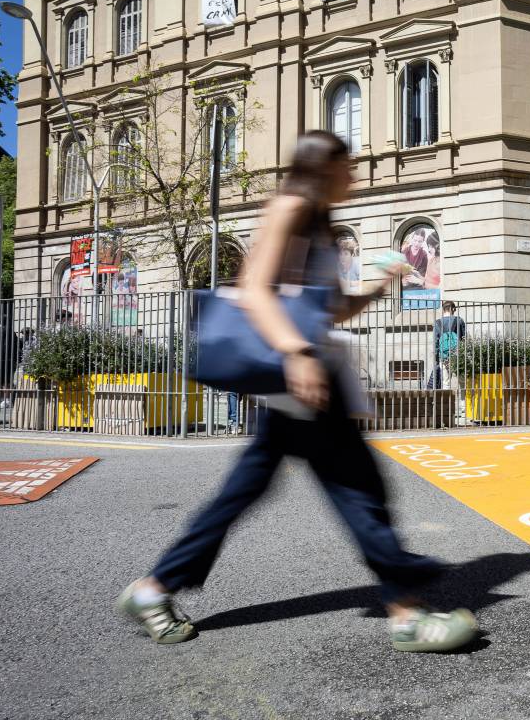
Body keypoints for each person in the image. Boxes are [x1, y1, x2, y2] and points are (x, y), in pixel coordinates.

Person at [118, 131, 477, 652]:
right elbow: (255, 290)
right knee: (358, 490)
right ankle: (405, 611)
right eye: (346, 166)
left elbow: (330, 311)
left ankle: (155, 588)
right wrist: (296, 352)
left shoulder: (324, 229)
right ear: (322, 167)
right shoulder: (289, 207)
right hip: (302, 374)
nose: (354, 175)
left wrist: (378, 283)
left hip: (305, 376)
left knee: (250, 490)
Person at [427, 301, 465, 390]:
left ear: (443, 310)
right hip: (458, 355)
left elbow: (436, 343)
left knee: (445, 382)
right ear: (452, 309)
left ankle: (446, 403)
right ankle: (463, 404)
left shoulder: (437, 323)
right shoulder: (458, 320)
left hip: (444, 356)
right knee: (462, 382)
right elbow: (464, 338)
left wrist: (437, 358)